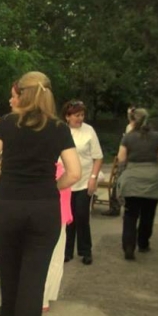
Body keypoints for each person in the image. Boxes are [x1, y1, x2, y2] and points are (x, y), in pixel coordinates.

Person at [0, 71, 81, 316]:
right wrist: (53, 186)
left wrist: (3, 181)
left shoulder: (6, 123)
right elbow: (75, 173)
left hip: (9, 206)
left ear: (22, 94)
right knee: (34, 276)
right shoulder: (59, 128)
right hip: (43, 209)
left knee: (10, 267)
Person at [0, 162, 72, 312]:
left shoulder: (26, 167)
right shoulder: (57, 169)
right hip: (53, 215)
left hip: (31, 212)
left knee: (20, 259)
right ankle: (40, 299)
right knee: (50, 260)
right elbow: (74, 175)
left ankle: (10, 299)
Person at [117, 108, 158, 260]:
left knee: (130, 214)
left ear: (132, 120)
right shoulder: (157, 137)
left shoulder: (128, 138)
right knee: (148, 214)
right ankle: (143, 243)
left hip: (132, 179)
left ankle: (129, 247)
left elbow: (121, 158)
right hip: (152, 178)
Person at [62, 100, 103, 265]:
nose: (80, 118)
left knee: (81, 216)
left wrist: (93, 178)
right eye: (76, 115)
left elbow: (98, 157)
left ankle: (85, 251)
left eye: (82, 115)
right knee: (68, 218)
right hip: (65, 182)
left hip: (84, 180)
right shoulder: (61, 131)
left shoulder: (89, 130)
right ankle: (66, 251)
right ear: (67, 117)